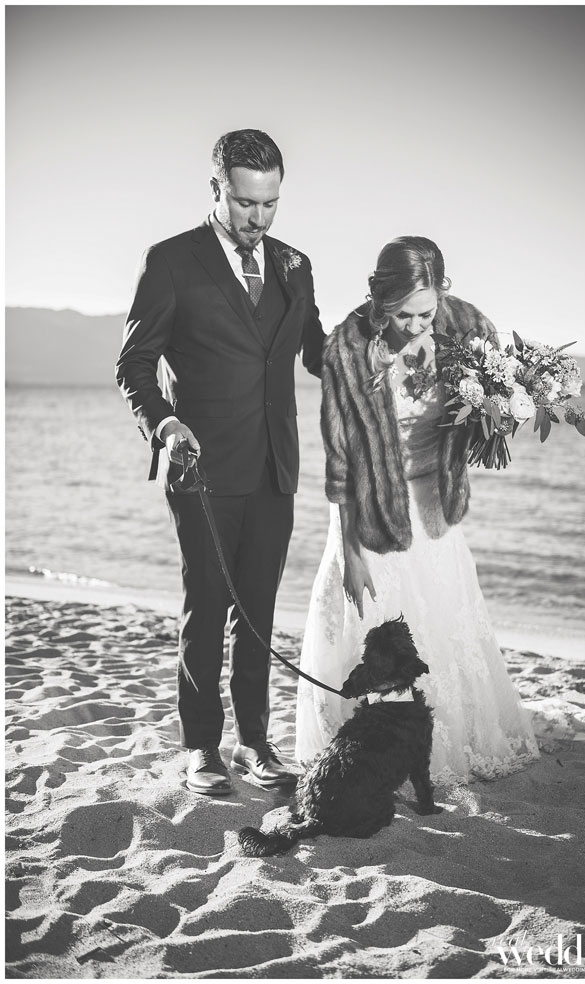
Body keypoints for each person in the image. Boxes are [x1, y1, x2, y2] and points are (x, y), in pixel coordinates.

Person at [117, 129, 325, 795]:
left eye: (270, 204)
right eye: (244, 203)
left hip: (274, 466)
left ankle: (255, 742)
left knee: (258, 612)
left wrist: (381, 346)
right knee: (206, 608)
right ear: (216, 189)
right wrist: (164, 422)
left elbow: (317, 352)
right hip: (199, 466)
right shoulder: (171, 261)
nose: (258, 218)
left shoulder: (295, 265)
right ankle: (201, 747)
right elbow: (134, 364)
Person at [295, 236, 540, 784]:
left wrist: (497, 415)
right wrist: (350, 554)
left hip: (432, 506)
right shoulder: (348, 349)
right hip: (371, 509)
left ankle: (446, 736)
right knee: (366, 625)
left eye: (424, 313)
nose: (413, 325)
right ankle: (362, 747)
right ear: (379, 299)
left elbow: (493, 401)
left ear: (442, 294)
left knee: (447, 620)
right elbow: (341, 461)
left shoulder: (468, 329)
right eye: (400, 314)